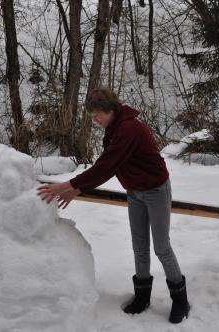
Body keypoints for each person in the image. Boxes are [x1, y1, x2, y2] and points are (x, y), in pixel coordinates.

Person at [37, 88, 190, 324]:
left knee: (161, 247)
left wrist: (65, 185)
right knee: (139, 246)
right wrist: (76, 189)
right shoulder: (114, 128)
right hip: (135, 192)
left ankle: (180, 300)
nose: (95, 120)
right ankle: (142, 297)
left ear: (110, 110)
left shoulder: (129, 129)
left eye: (97, 115)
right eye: (92, 116)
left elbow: (106, 166)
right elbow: (111, 164)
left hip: (156, 191)